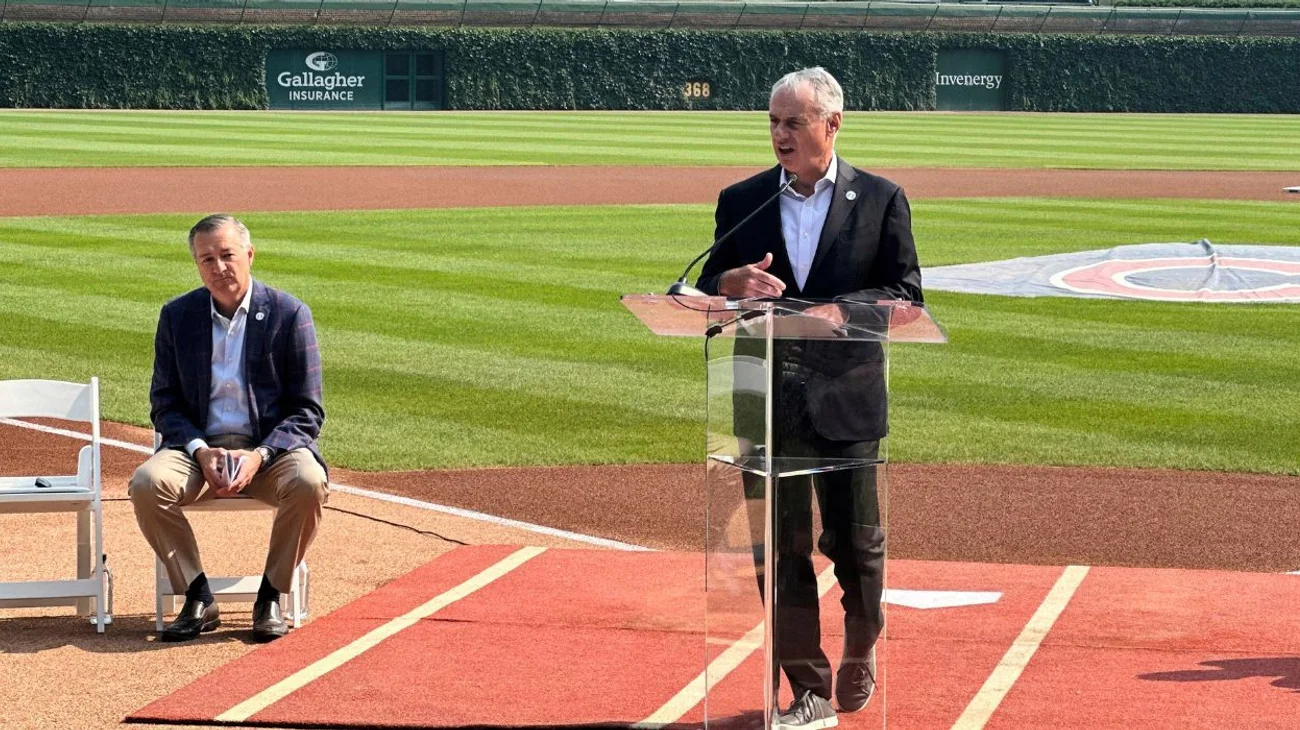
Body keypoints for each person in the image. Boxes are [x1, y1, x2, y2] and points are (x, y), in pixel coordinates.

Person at [695, 67, 923, 728]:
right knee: (780, 546)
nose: (780, 134)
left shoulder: (881, 199)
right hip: (762, 395)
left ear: (833, 124)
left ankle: (863, 636)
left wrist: (838, 310)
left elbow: (906, 295)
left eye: (793, 122)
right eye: (772, 121)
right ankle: (810, 688)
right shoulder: (743, 200)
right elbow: (707, 286)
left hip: (846, 396)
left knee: (856, 543)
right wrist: (731, 280)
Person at [129, 214, 328, 644]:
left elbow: (307, 411)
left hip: (268, 451)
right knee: (147, 483)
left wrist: (260, 455)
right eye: (206, 259)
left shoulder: (289, 314)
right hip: (197, 452)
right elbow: (164, 403)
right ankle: (198, 594)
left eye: (227, 255)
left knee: (310, 481)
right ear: (196, 265)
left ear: (250, 255)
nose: (219, 268)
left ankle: (270, 595)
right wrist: (202, 451)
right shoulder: (177, 316)